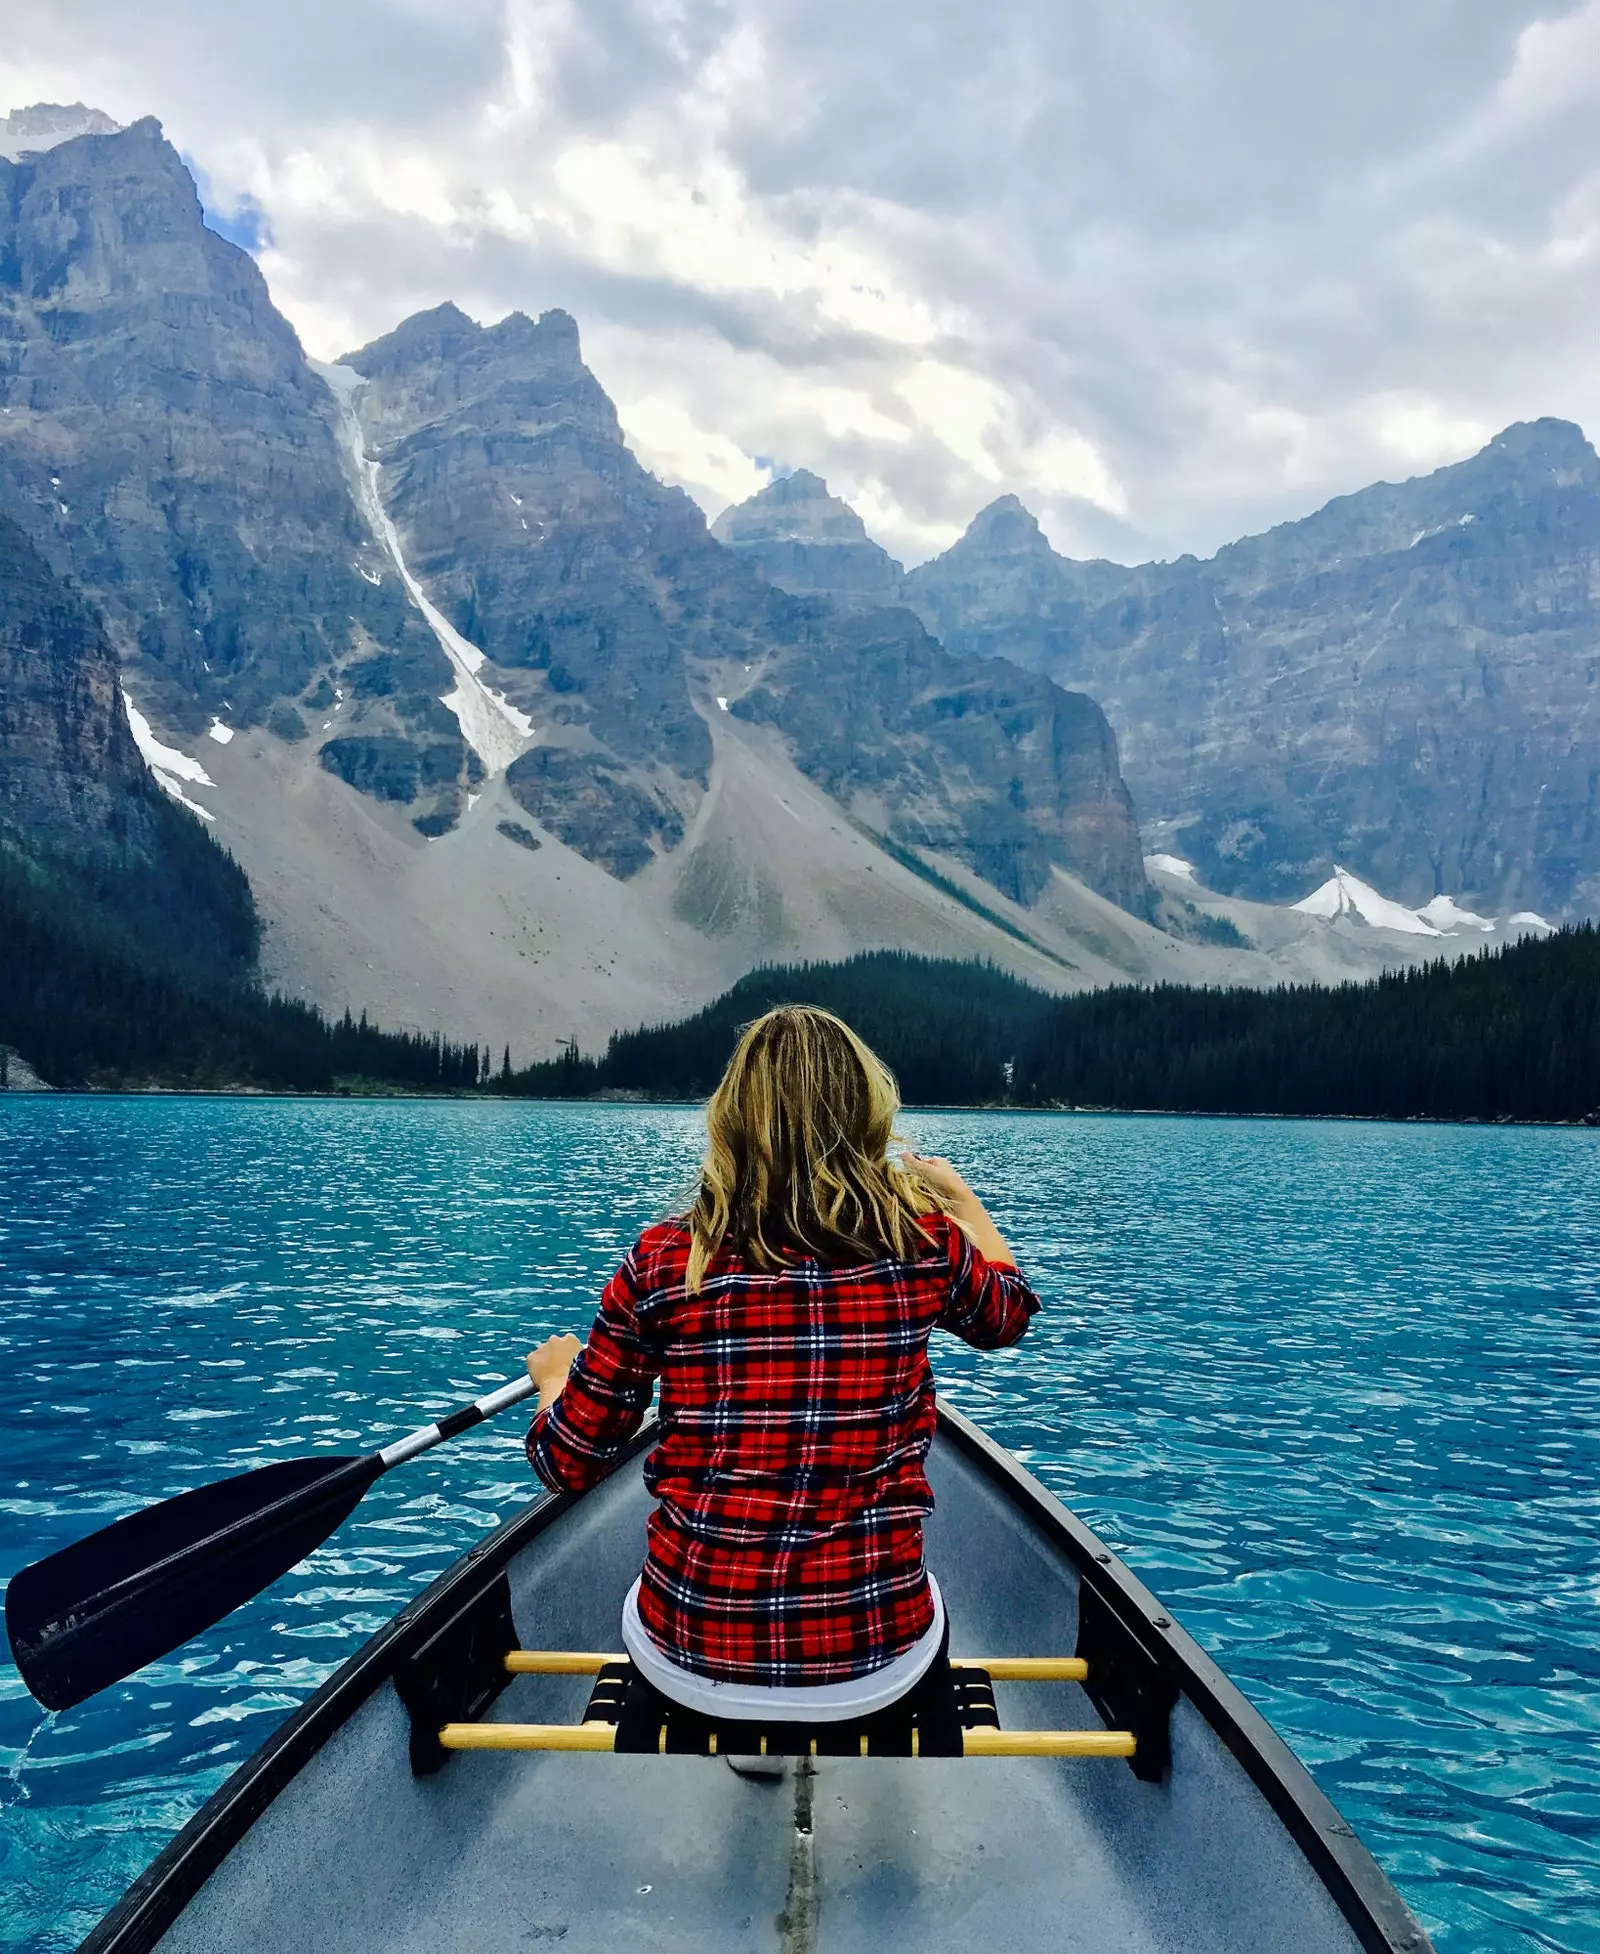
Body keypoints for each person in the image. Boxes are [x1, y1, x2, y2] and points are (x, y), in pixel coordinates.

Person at [524, 1004, 1039, 1761]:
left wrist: (557, 1383)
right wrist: (965, 1206)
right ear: (867, 1114)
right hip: (876, 1659)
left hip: (688, 1651)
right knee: (916, 1626)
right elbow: (1007, 1316)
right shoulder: (922, 1246)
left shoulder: (665, 1262)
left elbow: (566, 1462)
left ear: (730, 1121)